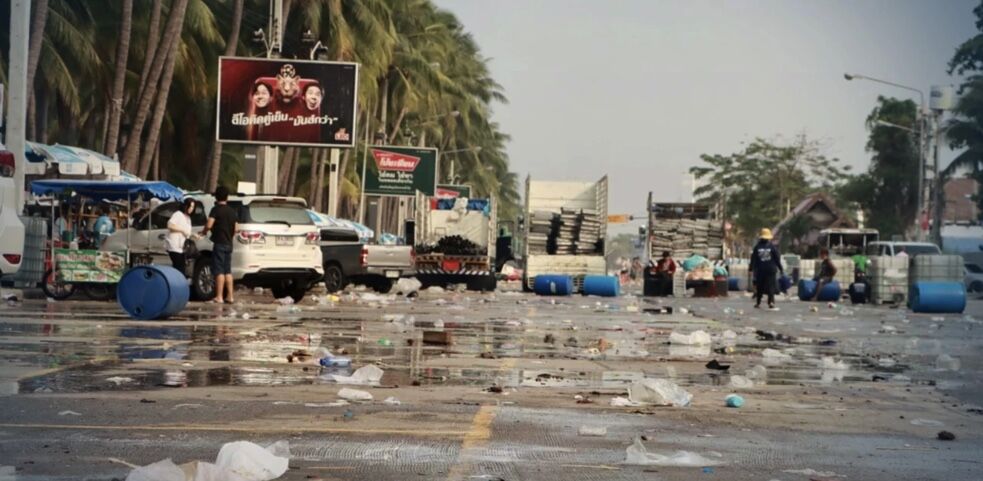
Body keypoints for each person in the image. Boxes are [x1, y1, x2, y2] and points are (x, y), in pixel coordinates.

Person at [200, 186, 237, 304]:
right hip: (229, 243)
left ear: (216, 197)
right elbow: (236, 229)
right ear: (227, 197)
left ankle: (219, 296)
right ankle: (230, 296)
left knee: (219, 271)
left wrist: (204, 232)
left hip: (219, 243)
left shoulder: (215, 210)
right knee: (228, 271)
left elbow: (209, 224)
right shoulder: (232, 211)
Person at [750, 228, 783, 310]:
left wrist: (751, 269)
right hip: (770, 269)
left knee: (760, 286)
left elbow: (753, 259)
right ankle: (770, 302)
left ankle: (758, 302)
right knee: (770, 286)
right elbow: (777, 259)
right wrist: (781, 268)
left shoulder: (757, 247)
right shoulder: (772, 247)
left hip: (761, 270)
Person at [166, 198, 196, 276]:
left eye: (193, 207)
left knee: (181, 268)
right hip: (174, 246)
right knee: (179, 268)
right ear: (186, 206)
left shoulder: (189, 218)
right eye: (190, 206)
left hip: (182, 248)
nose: (191, 209)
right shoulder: (178, 214)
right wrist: (182, 230)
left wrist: (194, 235)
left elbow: (187, 232)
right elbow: (170, 225)